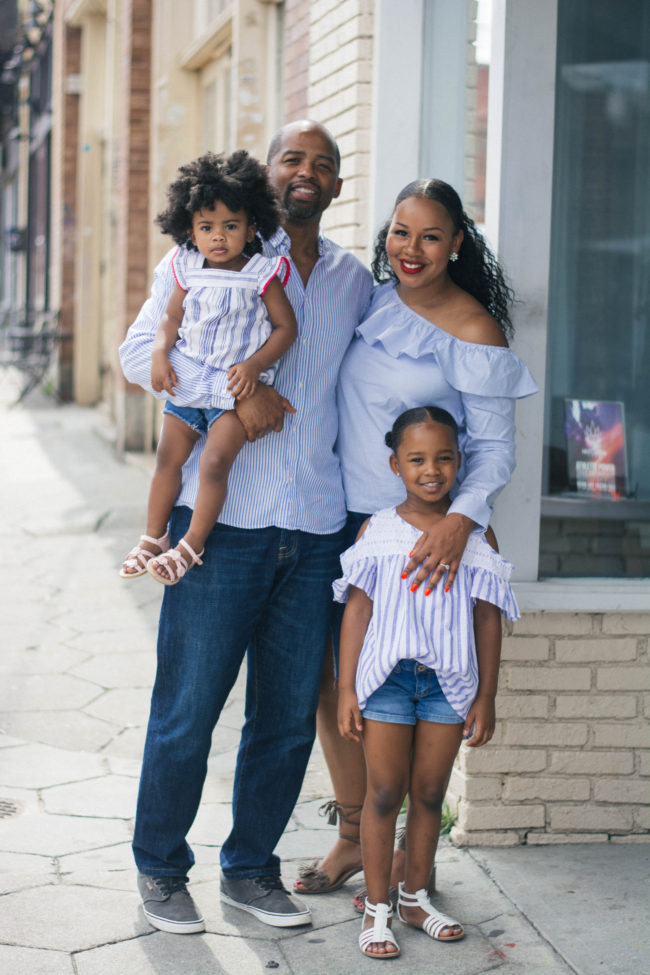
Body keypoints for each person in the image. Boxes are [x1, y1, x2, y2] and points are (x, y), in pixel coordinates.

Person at [119, 121, 373, 933]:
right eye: (293, 159)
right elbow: (137, 355)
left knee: (286, 716)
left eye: (323, 166)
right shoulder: (204, 252)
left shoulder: (351, 281)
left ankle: (251, 870)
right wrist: (235, 392)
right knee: (189, 707)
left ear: (336, 187)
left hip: (316, 530)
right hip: (222, 529)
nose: (308, 173)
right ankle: (161, 869)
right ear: (269, 176)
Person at [294, 179, 536, 906]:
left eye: (430, 235)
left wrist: (460, 522)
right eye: (401, 232)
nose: (411, 249)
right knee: (329, 682)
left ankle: (404, 853)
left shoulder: (474, 329)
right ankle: (354, 830)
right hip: (349, 522)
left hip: (431, 536)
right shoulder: (371, 301)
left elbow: (492, 450)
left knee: (407, 680)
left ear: (458, 242)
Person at [335, 406, 519, 958]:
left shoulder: (476, 530)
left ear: (460, 464)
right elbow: (357, 611)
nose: (431, 469)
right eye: (417, 459)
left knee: (431, 793)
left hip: (447, 683)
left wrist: (486, 694)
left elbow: (487, 615)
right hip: (388, 680)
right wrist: (346, 687)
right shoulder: (379, 527)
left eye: (443, 458)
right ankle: (376, 909)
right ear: (396, 464)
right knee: (385, 792)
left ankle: (414, 898)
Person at [120, 150, 297, 585]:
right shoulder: (186, 269)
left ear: (251, 227)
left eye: (230, 226)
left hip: (234, 400)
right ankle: (152, 536)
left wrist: (254, 367)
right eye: (206, 227)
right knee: (167, 459)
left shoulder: (262, 274)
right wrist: (161, 352)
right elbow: (170, 320)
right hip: (190, 390)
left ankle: (191, 545)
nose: (218, 237)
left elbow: (285, 328)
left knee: (214, 462)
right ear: (191, 232)